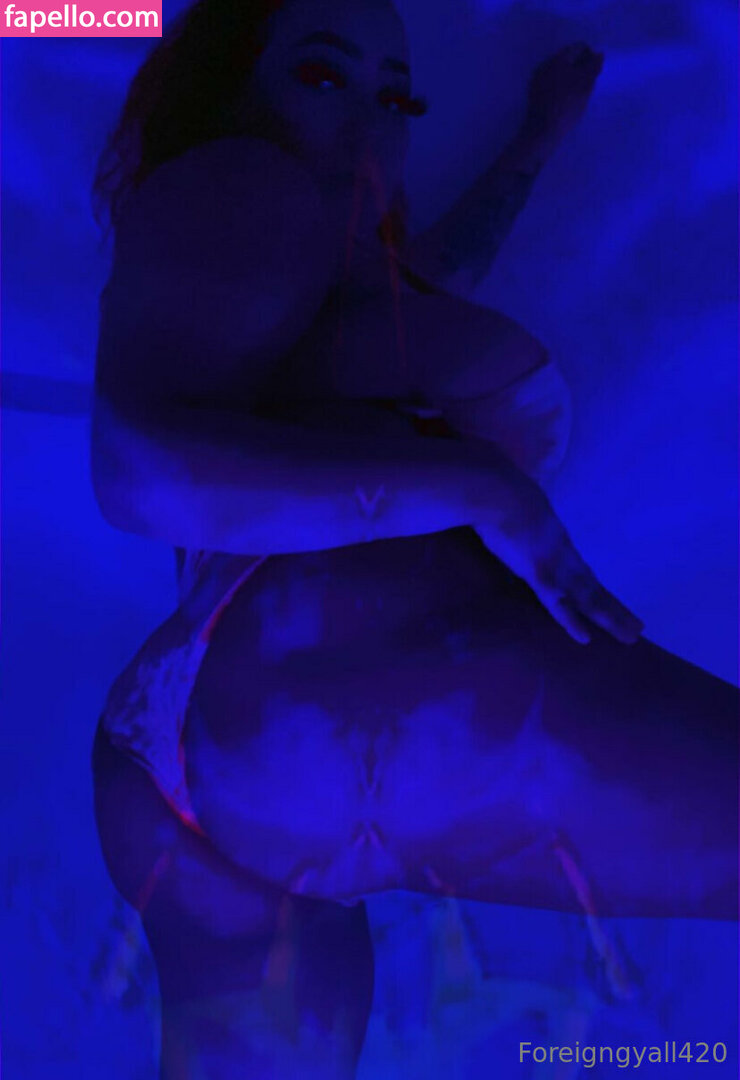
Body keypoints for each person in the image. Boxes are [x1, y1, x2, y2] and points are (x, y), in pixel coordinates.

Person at [90, 0, 738, 1075]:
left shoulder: (310, 254)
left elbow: (432, 280)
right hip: (336, 700)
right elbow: (134, 471)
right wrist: (479, 488)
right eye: (322, 74)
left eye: (398, 100)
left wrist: (530, 147)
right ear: (230, 87)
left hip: (234, 747)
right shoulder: (250, 185)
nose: (370, 124)